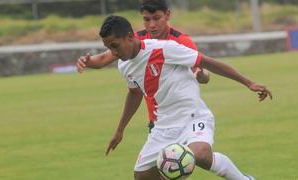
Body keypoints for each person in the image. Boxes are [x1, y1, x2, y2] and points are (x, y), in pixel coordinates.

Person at [99, 15, 272, 180]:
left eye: (115, 46)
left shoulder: (163, 48)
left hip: (193, 116)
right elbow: (135, 93)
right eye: (109, 48)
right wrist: (120, 129)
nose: (113, 53)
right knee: (142, 177)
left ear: (130, 36)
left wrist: (248, 83)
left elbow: (207, 62)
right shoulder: (124, 66)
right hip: (163, 127)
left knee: (201, 154)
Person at [76, 0, 210, 132]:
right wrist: (87, 61)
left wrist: (201, 75)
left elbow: (204, 75)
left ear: (167, 15)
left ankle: (214, 155)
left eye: (157, 18)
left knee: (197, 153)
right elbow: (103, 59)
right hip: (158, 121)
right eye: (146, 19)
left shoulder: (181, 41)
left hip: (186, 118)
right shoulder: (134, 40)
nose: (152, 25)